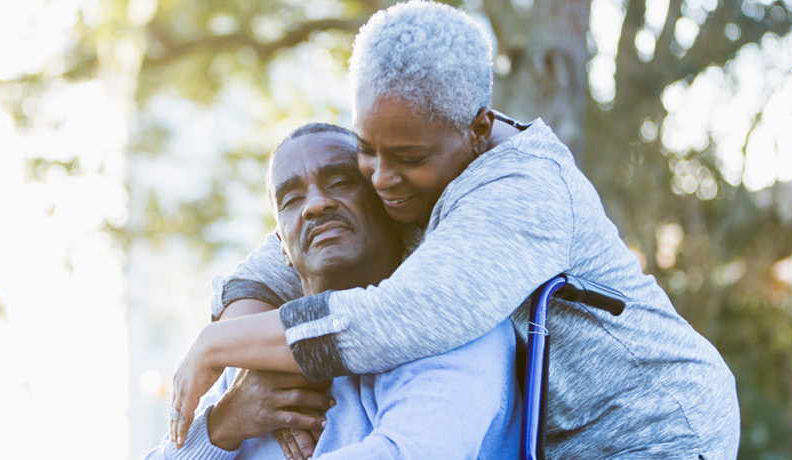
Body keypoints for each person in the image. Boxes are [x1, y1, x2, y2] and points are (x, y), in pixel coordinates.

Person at [170, 2, 741, 458]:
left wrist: (219, 346)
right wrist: (239, 382)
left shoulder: (522, 192)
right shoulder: (401, 167)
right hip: (555, 439)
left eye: (407, 157)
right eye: (367, 151)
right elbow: (280, 256)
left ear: (478, 129)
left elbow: (395, 320)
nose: (382, 179)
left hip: (655, 427)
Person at [147, 123, 520, 460]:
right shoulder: (254, 352)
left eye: (340, 182)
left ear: (389, 205)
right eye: (292, 199)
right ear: (281, 247)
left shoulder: (450, 315)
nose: (315, 205)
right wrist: (223, 425)